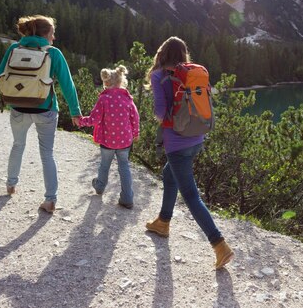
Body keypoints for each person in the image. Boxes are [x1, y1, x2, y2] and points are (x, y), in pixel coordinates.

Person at [145, 36, 234, 269]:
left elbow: (161, 112)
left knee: (191, 195)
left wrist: (158, 112)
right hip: (197, 138)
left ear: (162, 53)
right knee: (169, 174)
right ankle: (163, 222)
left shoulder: (158, 76)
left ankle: (219, 245)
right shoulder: (192, 74)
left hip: (177, 143)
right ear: (183, 54)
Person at [0, 15, 82, 213]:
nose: (54, 38)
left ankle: (11, 185)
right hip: (46, 109)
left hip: (18, 108)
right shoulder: (53, 53)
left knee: (18, 145)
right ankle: (50, 199)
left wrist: (14, 94)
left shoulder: (14, 49)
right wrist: (75, 112)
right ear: (45, 33)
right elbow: (68, 86)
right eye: (52, 33)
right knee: (47, 154)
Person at [75, 65, 140, 209]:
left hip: (107, 140)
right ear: (121, 81)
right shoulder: (127, 98)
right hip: (125, 141)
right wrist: (136, 134)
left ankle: (99, 187)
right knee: (124, 167)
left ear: (106, 83)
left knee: (104, 164)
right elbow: (135, 118)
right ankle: (127, 198)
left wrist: (81, 121)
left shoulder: (104, 99)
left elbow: (94, 119)